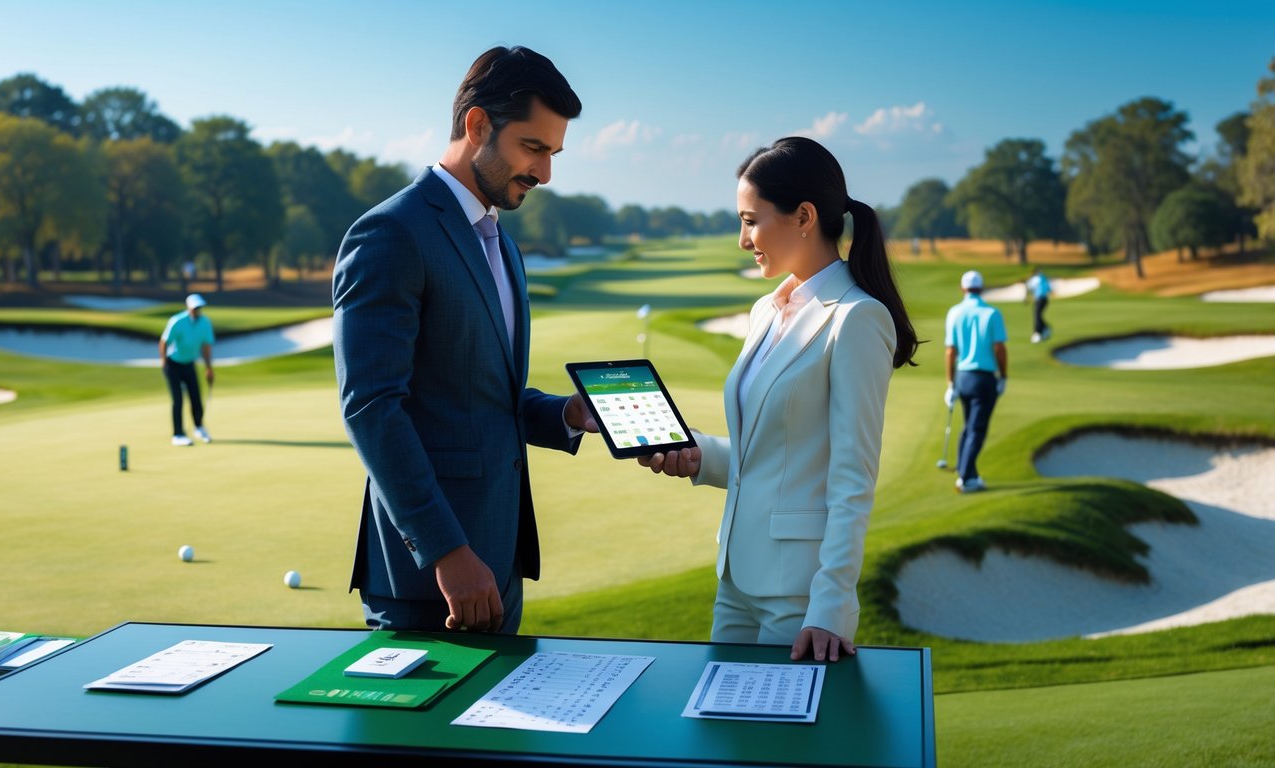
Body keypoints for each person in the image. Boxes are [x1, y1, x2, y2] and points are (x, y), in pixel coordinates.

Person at [332, 46, 596, 635]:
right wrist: (447, 552)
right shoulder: (389, 234)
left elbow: (480, 396)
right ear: (478, 125)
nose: (545, 173)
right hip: (432, 577)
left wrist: (568, 416)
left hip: (501, 563)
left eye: (553, 153)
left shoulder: (502, 243)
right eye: (533, 147)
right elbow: (372, 408)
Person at [638, 137, 918, 663]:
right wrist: (702, 456)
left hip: (800, 595)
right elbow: (769, 453)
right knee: (723, 734)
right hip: (735, 578)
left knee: (774, 742)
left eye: (750, 220)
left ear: (804, 216)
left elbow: (853, 477)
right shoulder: (766, 310)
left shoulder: (856, 318)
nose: (743, 239)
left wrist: (830, 604)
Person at [944, 270, 1008, 493]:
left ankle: (967, 473)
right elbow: (999, 348)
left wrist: (950, 384)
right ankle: (966, 478)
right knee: (977, 429)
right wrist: (1004, 376)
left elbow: (951, 351)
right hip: (983, 379)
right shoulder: (992, 313)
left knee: (968, 426)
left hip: (963, 377)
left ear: (963, 289)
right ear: (981, 288)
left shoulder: (954, 312)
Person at [159, 293, 214, 446]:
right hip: (173, 364)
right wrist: (163, 362)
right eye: (195, 308)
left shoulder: (205, 323)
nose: (197, 310)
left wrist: (209, 368)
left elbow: (206, 346)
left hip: (189, 364)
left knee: (195, 397)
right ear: (188, 307)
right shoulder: (177, 321)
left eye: (199, 307)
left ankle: (199, 427)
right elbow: (163, 342)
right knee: (178, 399)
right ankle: (177, 435)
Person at [1024, 267, 1051, 342]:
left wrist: (1026, 298)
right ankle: (1045, 328)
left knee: (1037, 315)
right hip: (1045, 300)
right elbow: (1049, 289)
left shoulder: (1036, 278)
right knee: (1038, 315)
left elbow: (1029, 287)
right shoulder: (1044, 278)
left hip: (1039, 299)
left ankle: (1037, 333)